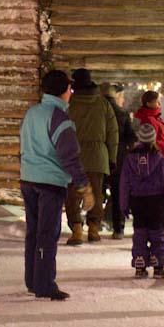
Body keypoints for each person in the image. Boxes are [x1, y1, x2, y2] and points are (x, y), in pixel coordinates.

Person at [19, 70, 93, 301]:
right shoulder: (60, 119)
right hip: (49, 183)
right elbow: (69, 157)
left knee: (33, 233)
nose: (71, 92)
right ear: (63, 91)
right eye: (70, 89)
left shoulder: (32, 113)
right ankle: (44, 284)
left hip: (28, 178)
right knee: (47, 235)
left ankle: (33, 280)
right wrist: (84, 186)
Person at [64, 69, 118, 245]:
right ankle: (93, 229)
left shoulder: (69, 104)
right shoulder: (103, 103)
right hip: (97, 155)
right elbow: (113, 133)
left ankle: (77, 230)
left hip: (73, 155)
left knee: (73, 193)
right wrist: (112, 158)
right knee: (96, 192)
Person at [120, 122, 164, 278]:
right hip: (156, 202)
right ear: (153, 139)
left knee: (140, 235)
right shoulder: (160, 159)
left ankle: (140, 264)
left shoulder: (129, 160)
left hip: (137, 202)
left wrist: (124, 204)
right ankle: (158, 265)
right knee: (158, 234)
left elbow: (124, 183)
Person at [100, 82, 136, 240]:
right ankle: (118, 228)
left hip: (98, 157)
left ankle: (93, 225)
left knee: (96, 191)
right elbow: (131, 137)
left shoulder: (96, 112)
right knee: (118, 193)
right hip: (119, 159)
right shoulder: (122, 114)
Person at [134, 90, 164, 167]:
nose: (160, 104)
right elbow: (149, 143)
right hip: (157, 158)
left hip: (161, 155)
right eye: (157, 102)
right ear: (148, 103)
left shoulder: (156, 118)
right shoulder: (148, 119)